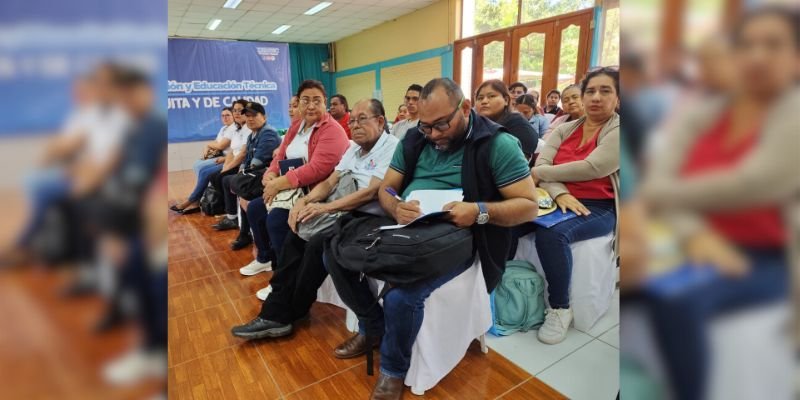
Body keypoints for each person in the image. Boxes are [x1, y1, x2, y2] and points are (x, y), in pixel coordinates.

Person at [326, 78, 537, 400]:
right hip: (411, 225)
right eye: (427, 127)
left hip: (463, 233)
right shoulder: (415, 138)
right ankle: (372, 326)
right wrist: (396, 206)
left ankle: (394, 370)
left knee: (402, 295)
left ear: (465, 108)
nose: (434, 135)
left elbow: (528, 207)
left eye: (441, 125)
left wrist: (479, 210)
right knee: (334, 252)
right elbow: (387, 187)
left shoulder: (497, 144)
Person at [640, 8, 799, 400]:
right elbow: (659, 179)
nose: (758, 56)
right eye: (747, 45)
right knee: (638, 282)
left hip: (768, 254)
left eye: (773, 45)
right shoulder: (706, 114)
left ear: (795, 57)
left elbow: (754, 184)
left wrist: (665, 193)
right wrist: (695, 233)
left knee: (676, 300)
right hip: (696, 242)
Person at [230, 98, 400, 338]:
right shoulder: (353, 149)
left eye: (362, 119)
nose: (355, 126)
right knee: (295, 231)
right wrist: (306, 202)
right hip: (341, 209)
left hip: (367, 215)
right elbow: (330, 182)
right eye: (352, 121)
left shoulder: (391, 147)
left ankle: (292, 311)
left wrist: (325, 209)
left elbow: (370, 193)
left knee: (317, 244)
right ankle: (274, 311)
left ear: (380, 121)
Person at [526, 67, 620, 345]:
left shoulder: (620, 130)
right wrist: (559, 194)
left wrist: (544, 175)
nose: (595, 97)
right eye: (590, 91)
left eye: (605, 91)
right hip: (555, 198)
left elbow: (594, 167)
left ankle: (560, 308)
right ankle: (505, 290)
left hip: (600, 207)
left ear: (618, 97)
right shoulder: (565, 128)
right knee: (510, 218)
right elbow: (540, 164)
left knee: (552, 234)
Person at [238, 80, 349, 290]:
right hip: (290, 188)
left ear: (324, 103)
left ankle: (284, 277)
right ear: (298, 104)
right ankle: (265, 258)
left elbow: (317, 169)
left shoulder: (332, 130)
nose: (311, 106)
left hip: (316, 191)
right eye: (305, 100)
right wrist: (270, 175)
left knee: (276, 220)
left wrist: (278, 183)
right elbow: (280, 155)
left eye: (317, 100)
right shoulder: (297, 126)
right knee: (254, 209)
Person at [212, 102, 281, 254]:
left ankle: (243, 230)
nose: (249, 119)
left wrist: (241, 174)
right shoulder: (252, 135)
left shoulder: (268, 133)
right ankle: (243, 230)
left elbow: (257, 162)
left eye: (254, 115)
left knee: (233, 183)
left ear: (264, 116)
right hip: (256, 175)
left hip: (267, 176)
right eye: (247, 116)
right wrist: (242, 172)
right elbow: (247, 161)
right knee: (228, 180)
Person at [170, 107, 236, 213]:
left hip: (227, 159)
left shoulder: (235, 128)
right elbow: (216, 142)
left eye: (227, 115)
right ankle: (201, 195)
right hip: (221, 156)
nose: (225, 117)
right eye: (222, 115)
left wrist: (208, 145)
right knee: (198, 164)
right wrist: (208, 147)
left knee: (202, 169)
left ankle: (193, 200)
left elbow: (220, 145)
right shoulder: (223, 129)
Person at [205, 99, 252, 218]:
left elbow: (242, 154)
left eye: (240, 110)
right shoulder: (237, 129)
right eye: (234, 110)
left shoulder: (249, 128)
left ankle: (233, 214)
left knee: (223, 178)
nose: (236, 113)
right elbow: (231, 151)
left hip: (242, 164)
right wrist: (225, 167)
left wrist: (227, 168)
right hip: (233, 162)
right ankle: (228, 208)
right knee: (213, 176)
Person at [474, 80, 538, 161]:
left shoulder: (518, 124)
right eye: (480, 98)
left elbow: (517, 164)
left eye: (491, 96)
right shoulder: (475, 124)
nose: (484, 101)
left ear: (506, 100)